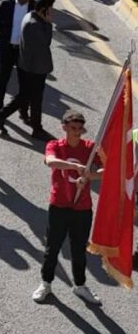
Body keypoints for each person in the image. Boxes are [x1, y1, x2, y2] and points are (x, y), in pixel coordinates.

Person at [32, 110, 103, 306]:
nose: (77, 132)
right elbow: (51, 161)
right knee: (52, 248)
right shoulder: (55, 145)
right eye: (73, 128)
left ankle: (80, 286)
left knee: (79, 249)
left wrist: (90, 176)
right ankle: (46, 284)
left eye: (80, 129)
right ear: (64, 127)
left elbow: (107, 169)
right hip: (59, 206)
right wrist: (74, 167)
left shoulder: (90, 148)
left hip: (82, 208)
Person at [0, 0, 55, 140]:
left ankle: (0, 115)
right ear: (43, 10)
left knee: (26, 95)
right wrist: (49, 24)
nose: (53, 13)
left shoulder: (30, 16)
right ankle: (36, 129)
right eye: (50, 10)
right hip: (35, 68)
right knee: (35, 98)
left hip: (29, 65)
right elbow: (46, 42)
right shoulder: (35, 25)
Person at [0, 0, 36, 114]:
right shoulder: (6, 4)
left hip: (23, 51)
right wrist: (7, 33)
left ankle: (23, 110)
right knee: (2, 78)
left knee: (25, 82)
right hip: (7, 47)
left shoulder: (34, 7)